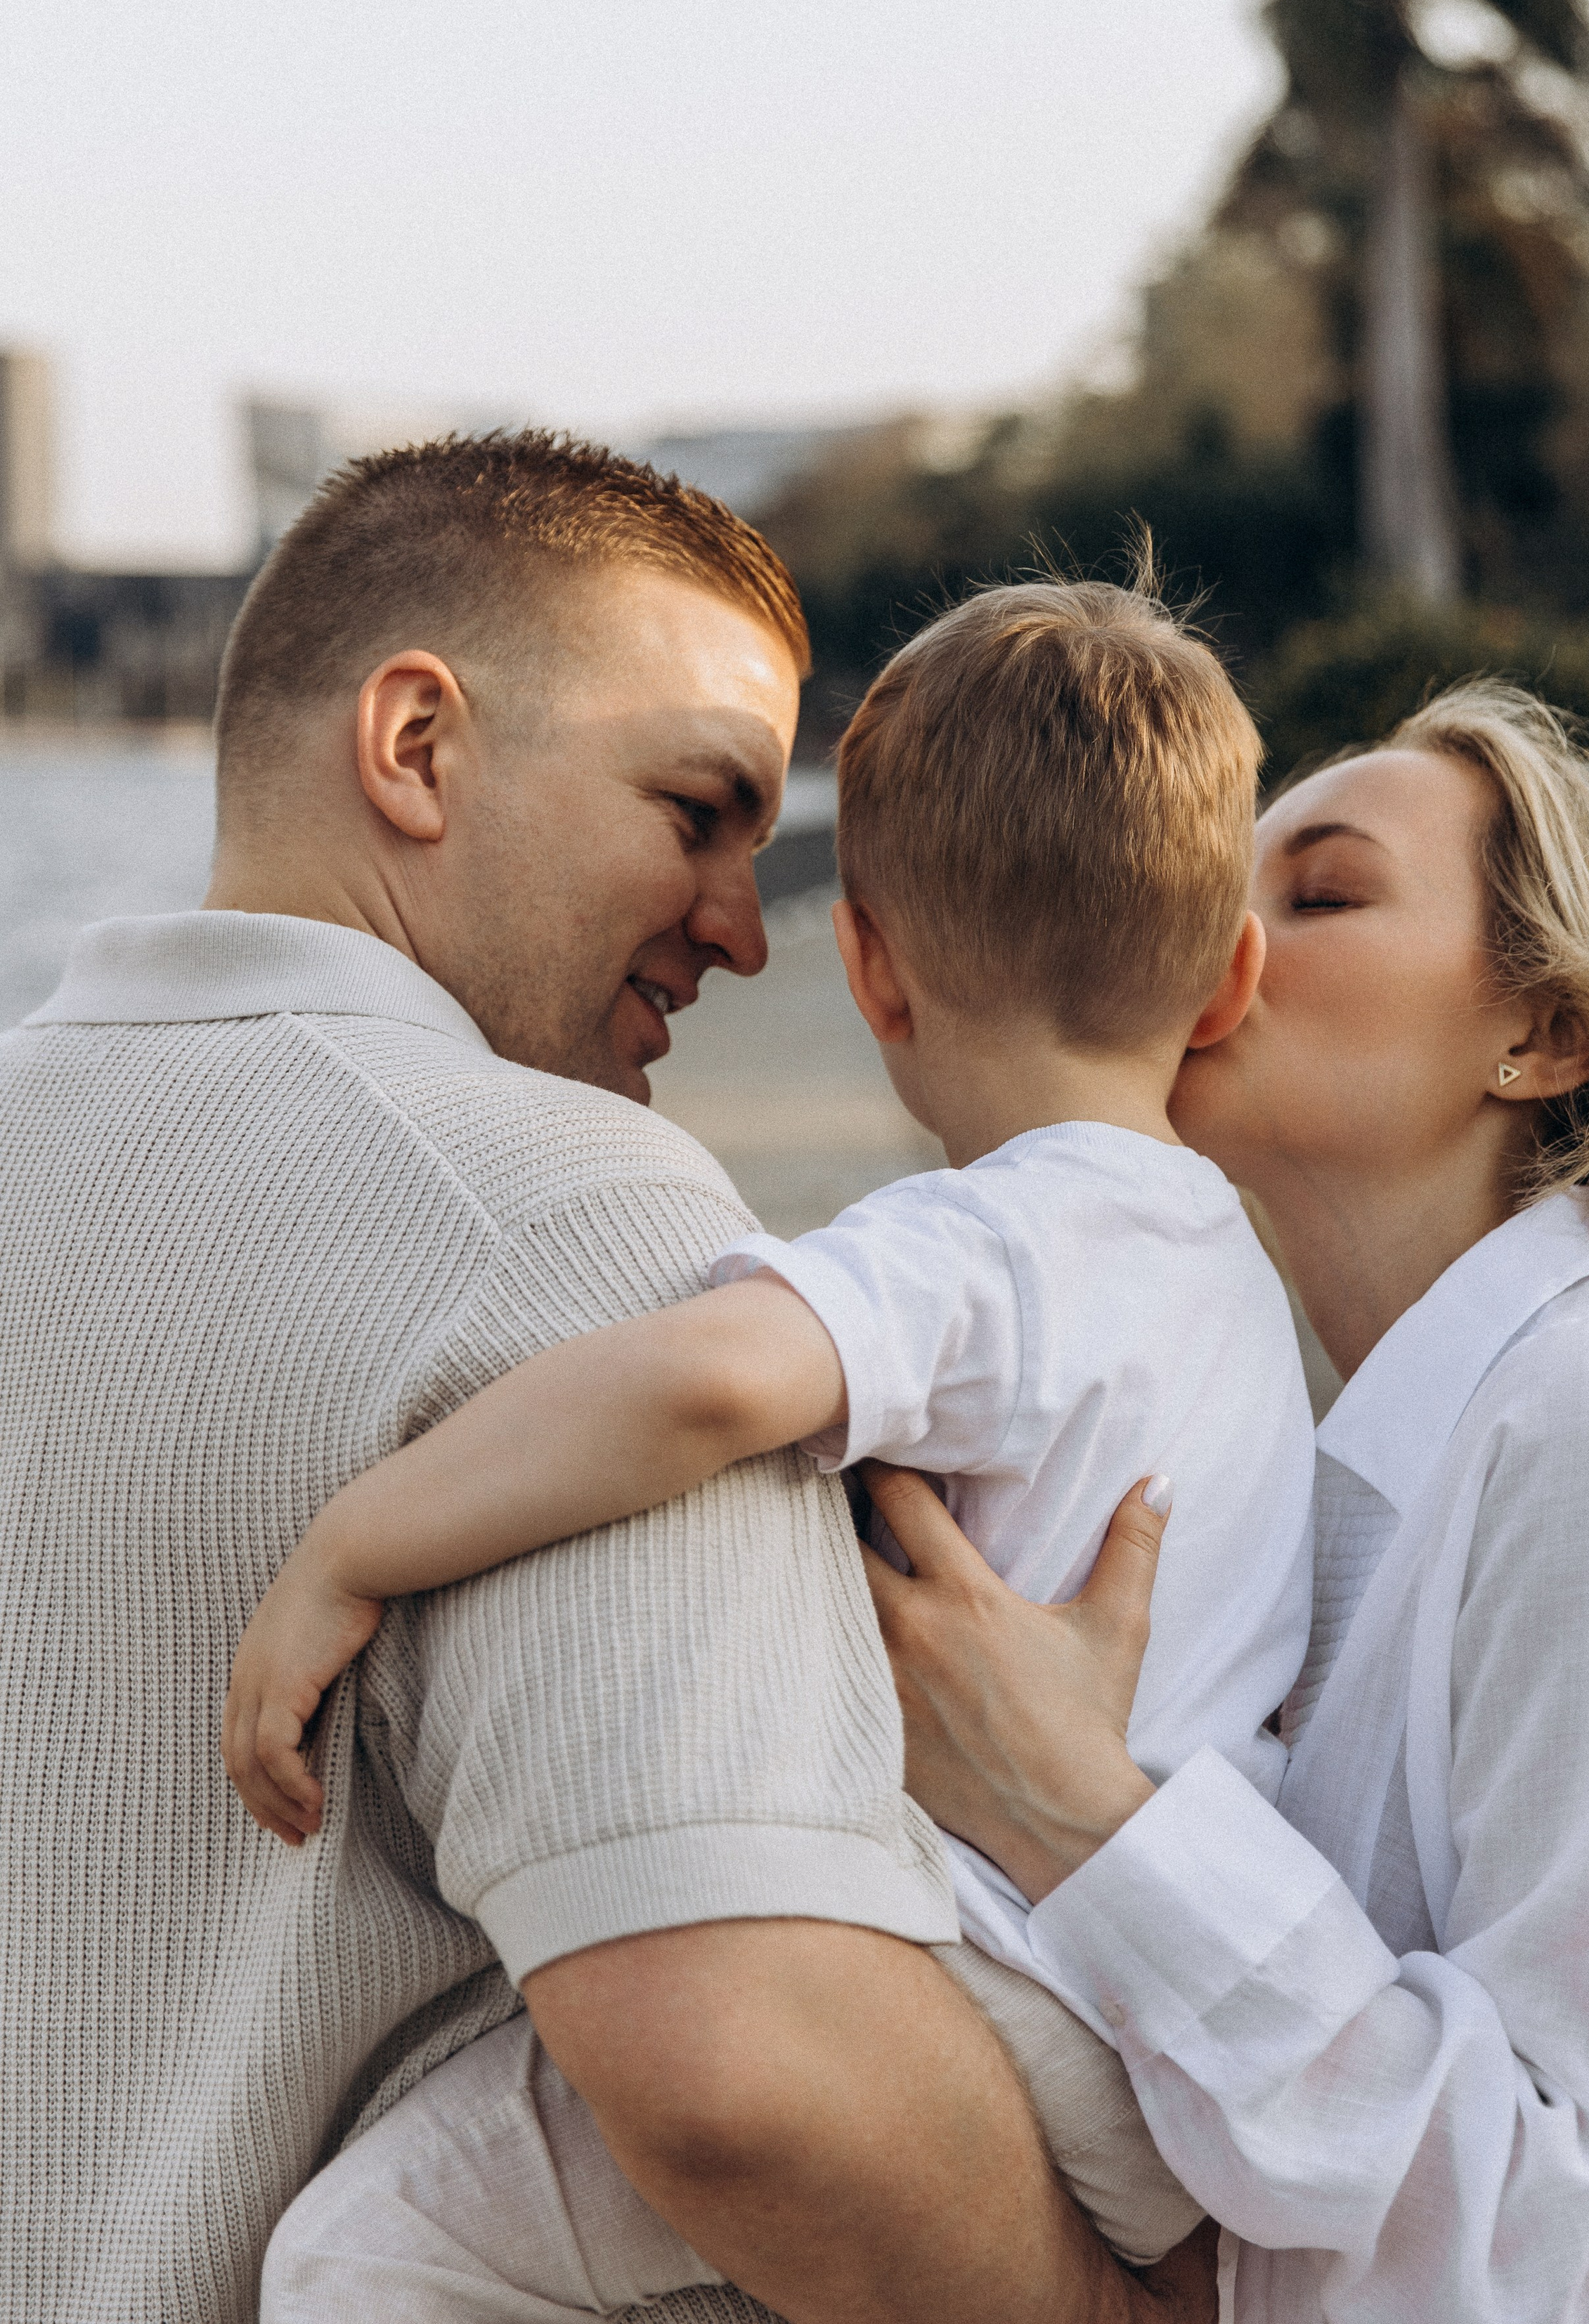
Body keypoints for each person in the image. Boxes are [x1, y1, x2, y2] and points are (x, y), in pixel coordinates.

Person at [0, 435, 1198, 2324]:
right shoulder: (569, 1218)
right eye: (697, 810)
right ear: (416, 748)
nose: (743, 919)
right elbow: (744, 2071)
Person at [226, 580, 1316, 2307]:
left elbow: (705, 1385)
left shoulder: (996, 1243)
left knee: (375, 2250)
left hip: (993, 1980)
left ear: (868, 964)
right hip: (1171, 2017)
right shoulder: (1235, 1274)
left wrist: (357, 1544)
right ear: (1229, 972)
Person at [862, 680, 1589, 2320]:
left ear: (1543, 1032)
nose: (1216, 939)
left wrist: (1077, 1809)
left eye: (1320, 894)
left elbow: (1548, 2237)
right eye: (1214, 884)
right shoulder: (1335, 1487)